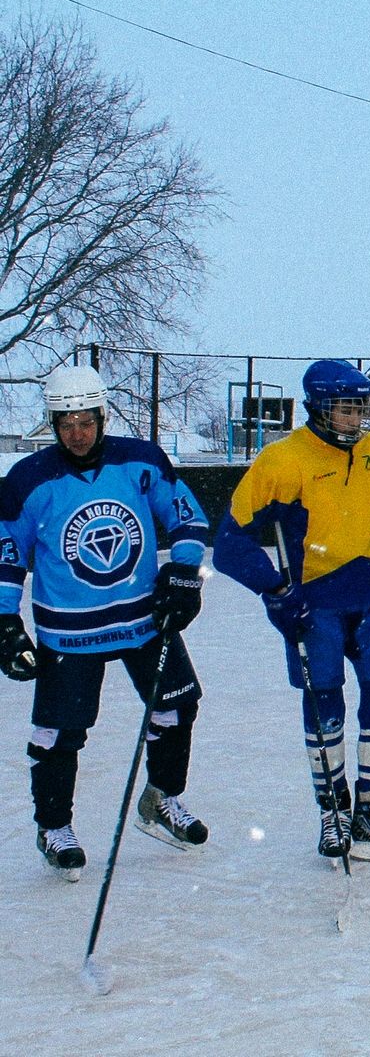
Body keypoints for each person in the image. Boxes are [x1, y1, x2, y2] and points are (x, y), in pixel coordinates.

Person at [0, 364, 210, 880]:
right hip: (70, 630)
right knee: (59, 731)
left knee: (178, 706)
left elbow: (187, 517)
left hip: (144, 618)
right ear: (53, 423)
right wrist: (4, 623)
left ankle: (161, 798)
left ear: (102, 415)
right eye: (65, 422)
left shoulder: (140, 460)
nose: (77, 432)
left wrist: (184, 575)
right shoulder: (28, 480)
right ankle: (54, 827)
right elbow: (6, 555)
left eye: (86, 420)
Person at [213, 359, 370, 862]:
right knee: (324, 705)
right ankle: (333, 812)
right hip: (315, 606)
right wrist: (274, 589)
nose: (355, 421)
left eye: (360, 410)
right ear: (317, 408)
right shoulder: (281, 460)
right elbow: (229, 544)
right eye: (344, 411)